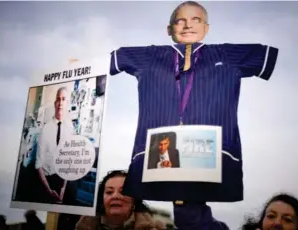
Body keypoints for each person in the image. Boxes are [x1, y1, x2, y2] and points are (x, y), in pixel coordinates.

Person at [109, 0, 278, 202]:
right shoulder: (149, 55)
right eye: (181, 20)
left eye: (196, 20)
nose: (188, 25)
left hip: (214, 154)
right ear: (169, 29)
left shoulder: (228, 54)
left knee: (195, 208)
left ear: (206, 28)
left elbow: (269, 58)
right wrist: (75, 64)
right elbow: (103, 63)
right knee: (165, 201)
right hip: (154, 154)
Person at [75, 170, 166, 230]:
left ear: (135, 200)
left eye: (123, 192)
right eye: (109, 192)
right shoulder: (82, 226)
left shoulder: (155, 227)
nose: (115, 196)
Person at [35, 86, 76, 204]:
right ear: (55, 103)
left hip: (65, 179)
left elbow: (70, 160)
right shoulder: (46, 129)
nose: (61, 103)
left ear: (68, 103)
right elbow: (38, 164)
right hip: (48, 181)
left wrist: (63, 187)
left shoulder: (70, 129)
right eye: (58, 99)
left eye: (64, 99)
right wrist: (48, 190)